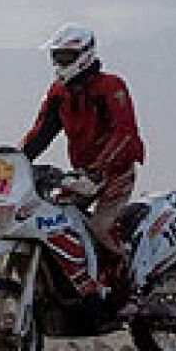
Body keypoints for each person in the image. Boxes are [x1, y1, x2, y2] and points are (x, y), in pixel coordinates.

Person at [19, 23, 145, 308]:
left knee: (101, 227)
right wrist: (16, 160)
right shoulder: (59, 93)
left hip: (115, 171)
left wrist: (101, 168)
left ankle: (128, 291)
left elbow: (125, 132)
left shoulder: (110, 87)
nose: (59, 64)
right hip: (81, 174)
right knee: (56, 219)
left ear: (84, 56)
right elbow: (41, 132)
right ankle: (79, 285)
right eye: (56, 57)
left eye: (65, 57)